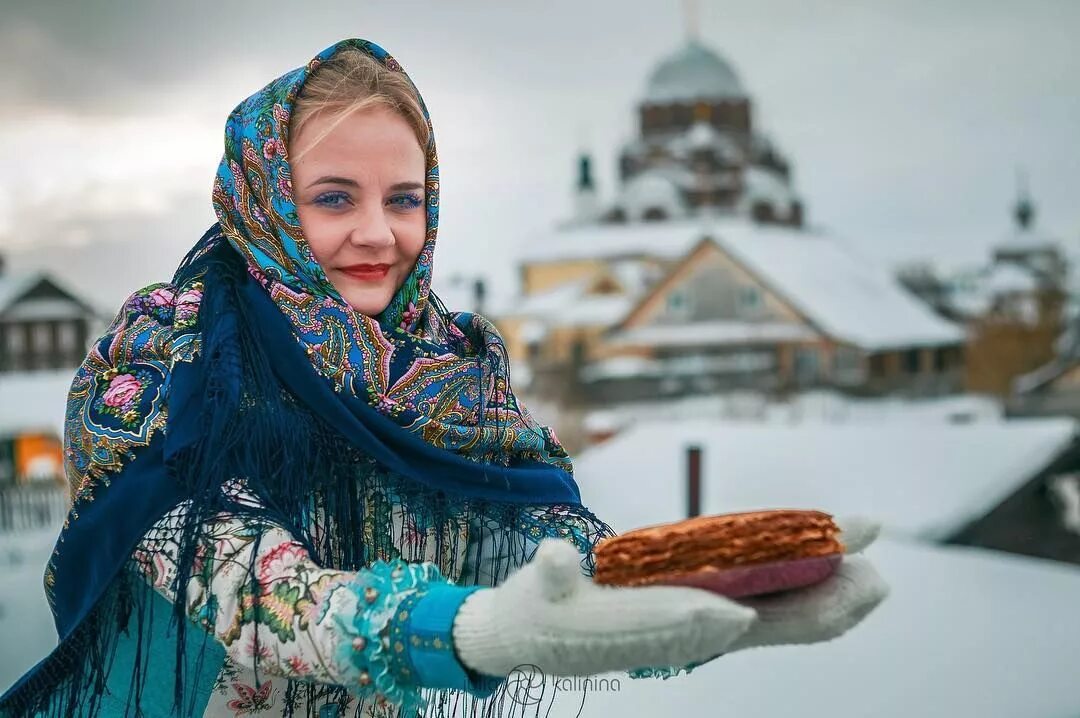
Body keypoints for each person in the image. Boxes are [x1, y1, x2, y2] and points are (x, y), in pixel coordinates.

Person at [0, 38, 888, 718]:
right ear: (264, 197)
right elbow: (248, 589)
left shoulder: (449, 371)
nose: (380, 235)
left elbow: (537, 550)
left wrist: (709, 597)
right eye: (334, 197)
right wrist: (457, 632)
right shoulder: (168, 355)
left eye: (405, 198)